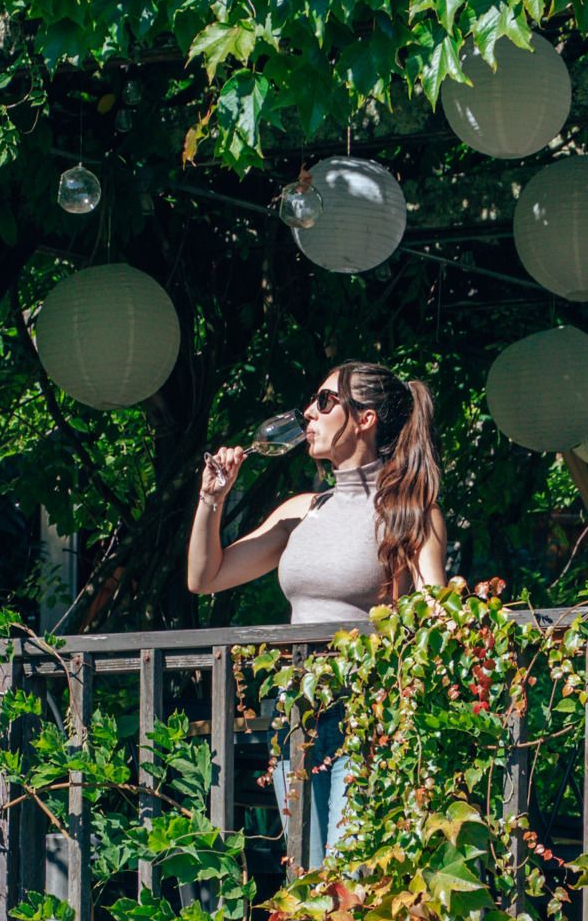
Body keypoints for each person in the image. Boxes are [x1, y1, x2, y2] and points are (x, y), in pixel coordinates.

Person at [188, 362, 447, 859]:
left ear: (365, 419)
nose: (309, 412)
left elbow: (437, 612)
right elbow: (206, 578)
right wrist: (211, 499)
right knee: (306, 874)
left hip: (367, 710)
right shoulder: (302, 510)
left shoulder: (409, 511)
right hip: (296, 709)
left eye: (325, 401)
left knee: (351, 873)